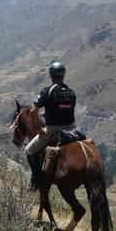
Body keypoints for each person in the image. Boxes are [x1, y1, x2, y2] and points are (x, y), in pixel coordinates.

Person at [25, 60, 77, 190]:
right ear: (63, 75)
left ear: (51, 75)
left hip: (53, 129)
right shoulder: (71, 92)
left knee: (29, 151)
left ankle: (36, 179)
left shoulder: (47, 91)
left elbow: (33, 111)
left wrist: (38, 128)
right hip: (72, 130)